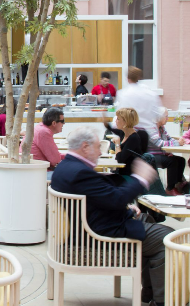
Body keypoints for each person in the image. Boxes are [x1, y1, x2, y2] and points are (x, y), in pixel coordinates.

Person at [51, 127, 172, 306]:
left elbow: (99, 201)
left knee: (148, 220)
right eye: (98, 147)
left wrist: (128, 209)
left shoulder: (66, 168)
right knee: (168, 239)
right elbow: (116, 200)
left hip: (87, 226)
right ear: (85, 147)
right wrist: (141, 179)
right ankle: (162, 301)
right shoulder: (80, 173)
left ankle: (149, 292)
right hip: (96, 235)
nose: (101, 152)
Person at [148, 108, 186, 195]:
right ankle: (170, 189)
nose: (168, 118)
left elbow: (169, 138)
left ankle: (178, 185)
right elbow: (159, 143)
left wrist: (179, 141)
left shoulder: (161, 127)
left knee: (181, 160)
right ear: (159, 117)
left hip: (160, 154)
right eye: (166, 116)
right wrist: (177, 143)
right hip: (151, 156)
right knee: (171, 162)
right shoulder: (151, 127)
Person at [21, 107, 64, 179]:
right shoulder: (44, 133)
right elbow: (55, 160)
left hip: (32, 170)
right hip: (38, 174)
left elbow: (55, 157)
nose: (64, 123)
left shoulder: (40, 128)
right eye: (62, 121)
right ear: (54, 123)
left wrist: (71, 155)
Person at [115, 67, 161, 134]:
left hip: (131, 133)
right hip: (149, 133)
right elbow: (157, 114)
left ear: (127, 78)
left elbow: (120, 114)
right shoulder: (151, 94)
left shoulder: (123, 94)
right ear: (139, 77)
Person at [105, 107, 149, 177]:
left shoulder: (134, 138)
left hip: (130, 177)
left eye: (118, 119)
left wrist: (117, 144)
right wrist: (106, 124)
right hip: (121, 173)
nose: (116, 121)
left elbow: (120, 160)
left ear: (125, 122)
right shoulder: (123, 133)